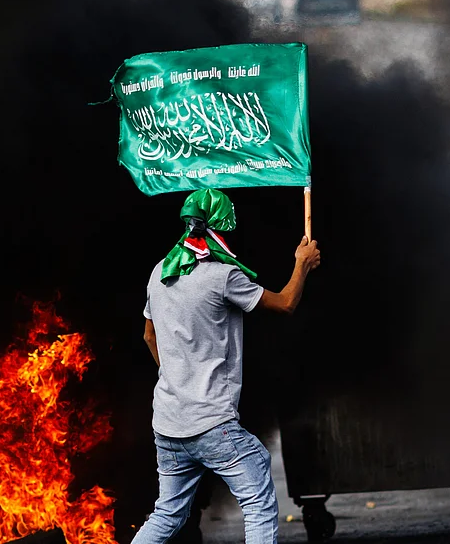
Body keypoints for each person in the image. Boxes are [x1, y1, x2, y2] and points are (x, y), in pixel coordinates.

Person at [133, 188, 322, 544]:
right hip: (211, 423)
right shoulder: (221, 276)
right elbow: (284, 304)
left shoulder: (159, 272)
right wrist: (302, 263)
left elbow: (148, 335)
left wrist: (176, 375)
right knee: (259, 498)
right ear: (222, 226)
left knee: (167, 513)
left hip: (169, 423)